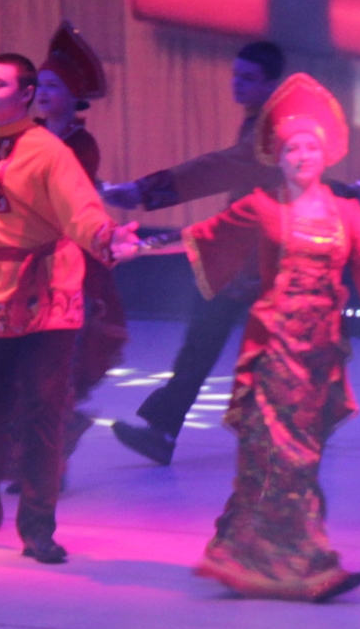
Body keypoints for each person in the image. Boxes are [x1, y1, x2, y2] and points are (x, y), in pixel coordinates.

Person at [163, 75, 360, 600]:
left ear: (325, 153)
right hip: (273, 351)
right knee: (280, 459)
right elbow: (203, 236)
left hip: (319, 358)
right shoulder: (262, 207)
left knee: (299, 458)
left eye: (310, 147)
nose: (302, 156)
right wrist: (138, 248)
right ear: (279, 156)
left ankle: (243, 557)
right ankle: (310, 566)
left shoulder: (346, 212)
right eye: (292, 148)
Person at [0, 53, 143, 564]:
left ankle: (38, 525)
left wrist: (109, 237)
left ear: (24, 95)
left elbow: (80, 209)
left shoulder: (52, 152)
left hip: (48, 293)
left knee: (46, 408)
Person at [106, 41, 286, 465]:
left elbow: (218, 168)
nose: (237, 85)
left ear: (271, 84)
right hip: (243, 255)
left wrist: (144, 191)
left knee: (245, 348)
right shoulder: (262, 123)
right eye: (236, 75)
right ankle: (163, 430)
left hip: (260, 258)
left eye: (248, 79)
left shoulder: (271, 131)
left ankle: (169, 430)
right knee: (204, 343)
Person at [34, 22, 129, 447]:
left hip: (70, 258)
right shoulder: (29, 136)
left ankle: (55, 441)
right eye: (40, 84)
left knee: (63, 351)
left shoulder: (82, 144)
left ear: (74, 96)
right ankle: (53, 433)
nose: (43, 92)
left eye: (53, 85)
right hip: (35, 255)